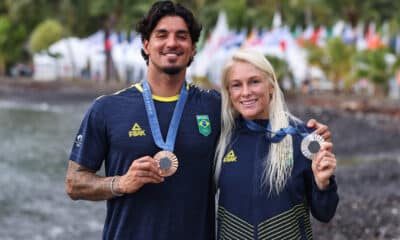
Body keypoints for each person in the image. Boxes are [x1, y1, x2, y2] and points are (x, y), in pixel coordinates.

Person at [65, 1, 332, 239]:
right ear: (146, 44)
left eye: (182, 36)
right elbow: (75, 183)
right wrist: (120, 183)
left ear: (192, 49)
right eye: (161, 35)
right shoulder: (107, 108)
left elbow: (260, 112)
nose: (172, 43)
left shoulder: (215, 106)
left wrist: (310, 134)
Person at [214, 49, 339, 239]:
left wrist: (323, 183)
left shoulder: (301, 137)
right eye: (237, 85)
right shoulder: (221, 139)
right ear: (229, 92)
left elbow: (325, 213)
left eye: (254, 81)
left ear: (271, 85)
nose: (246, 92)